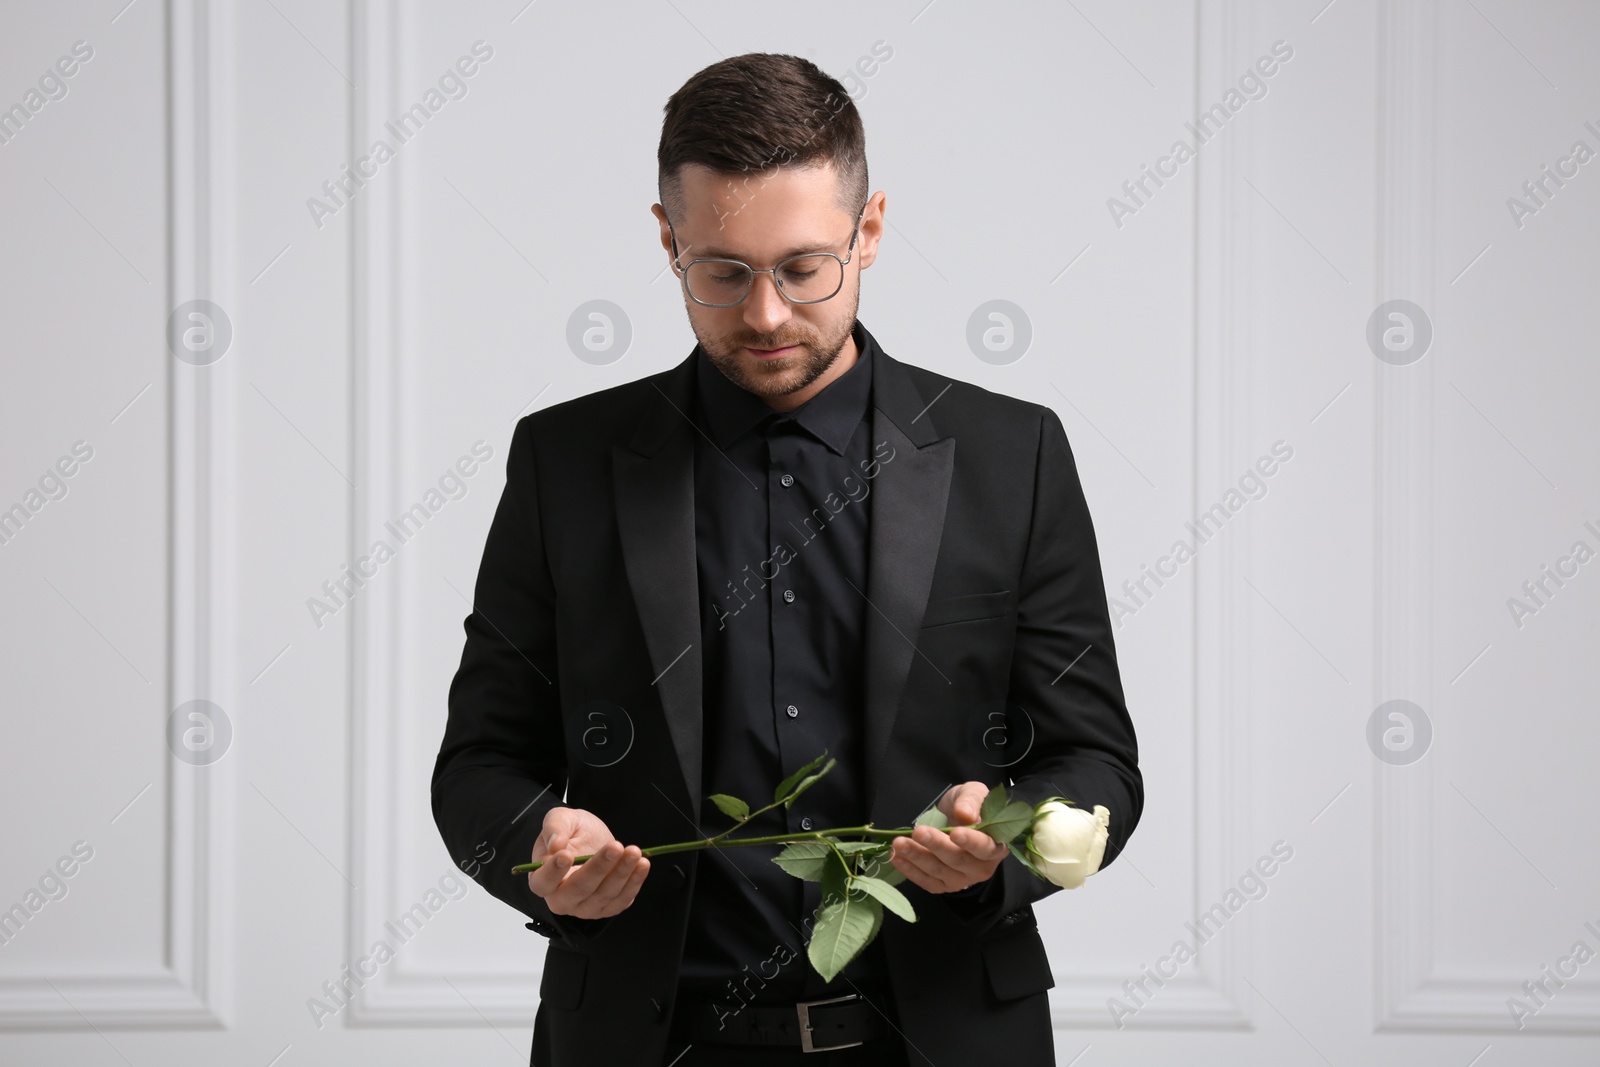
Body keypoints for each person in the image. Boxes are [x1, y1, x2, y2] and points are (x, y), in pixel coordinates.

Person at [431, 51, 1142, 1067]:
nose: (764, 315)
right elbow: (481, 763)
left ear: (871, 231)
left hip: (940, 1037)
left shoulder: (1011, 453)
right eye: (722, 272)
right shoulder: (565, 461)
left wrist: (1008, 842)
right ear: (668, 240)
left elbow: (1098, 760)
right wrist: (536, 852)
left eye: (804, 268)